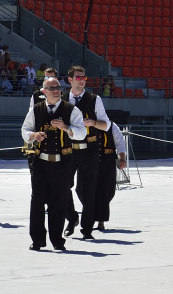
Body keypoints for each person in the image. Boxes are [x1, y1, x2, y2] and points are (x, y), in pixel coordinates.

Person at [21, 77, 86, 251]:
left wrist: (66, 128)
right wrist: (34, 135)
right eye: (51, 88)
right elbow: (25, 130)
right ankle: (37, 240)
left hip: (62, 163)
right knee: (37, 201)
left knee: (58, 202)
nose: (56, 90)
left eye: (58, 87)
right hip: (40, 163)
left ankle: (57, 240)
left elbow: (82, 133)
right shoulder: (36, 110)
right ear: (44, 92)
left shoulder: (71, 110)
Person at [62, 66, 110, 240]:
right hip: (67, 150)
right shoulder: (62, 99)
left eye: (84, 78)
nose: (82, 80)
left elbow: (107, 125)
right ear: (70, 80)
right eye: (78, 77)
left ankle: (87, 229)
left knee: (88, 190)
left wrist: (94, 123)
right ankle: (72, 217)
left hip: (89, 150)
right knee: (63, 186)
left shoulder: (94, 99)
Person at [93, 120, 128, 232]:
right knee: (84, 190)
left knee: (105, 191)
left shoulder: (112, 126)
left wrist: (122, 158)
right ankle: (89, 217)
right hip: (89, 162)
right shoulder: (85, 123)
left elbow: (120, 144)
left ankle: (100, 221)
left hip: (107, 162)